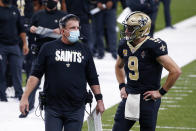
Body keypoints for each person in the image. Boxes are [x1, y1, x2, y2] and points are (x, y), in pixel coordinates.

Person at [20, 14, 105, 131]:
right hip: (53, 107)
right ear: (62, 31)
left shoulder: (84, 50)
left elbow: (92, 77)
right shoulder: (48, 48)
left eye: (77, 27)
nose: (76, 30)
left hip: (76, 107)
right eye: (72, 28)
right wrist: (25, 97)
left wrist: (99, 100)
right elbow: (35, 75)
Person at [112, 11, 181, 131]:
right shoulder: (124, 44)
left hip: (147, 99)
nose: (127, 31)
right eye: (126, 27)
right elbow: (118, 66)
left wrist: (161, 92)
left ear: (142, 29)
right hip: (129, 96)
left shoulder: (153, 46)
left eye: (130, 28)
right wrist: (122, 86)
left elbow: (175, 71)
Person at [18, 0, 67, 118]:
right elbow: (28, 28)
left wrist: (60, 31)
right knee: (33, 80)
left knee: (59, 82)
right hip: (40, 53)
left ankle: (60, 108)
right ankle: (27, 106)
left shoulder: (63, 16)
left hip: (58, 54)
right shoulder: (38, 14)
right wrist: (32, 29)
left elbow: (72, 31)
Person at [0, 0, 29, 102]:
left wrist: (25, 43)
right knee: (1, 70)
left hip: (14, 45)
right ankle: (1, 94)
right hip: (1, 45)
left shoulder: (14, 9)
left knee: (17, 69)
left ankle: (19, 94)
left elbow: (21, 29)